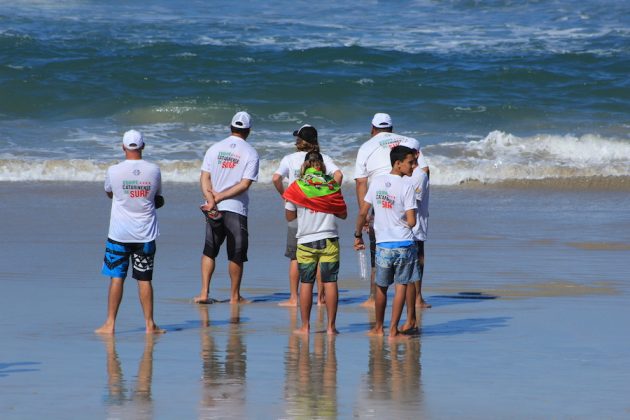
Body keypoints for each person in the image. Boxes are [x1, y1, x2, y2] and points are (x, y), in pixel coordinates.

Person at [354, 113, 429, 307]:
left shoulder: (366, 147)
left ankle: (373, 298)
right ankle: (417, 299)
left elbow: (361, 182)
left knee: (378, 248)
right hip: (409, 195)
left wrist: (364, 216)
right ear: (392, 129)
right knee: (415, 249)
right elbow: (424, 170)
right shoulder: (407, 143)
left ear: (372, 129)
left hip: (381, 197)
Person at [96, 129, 165, 335]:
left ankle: (110, 324)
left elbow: (110, 193)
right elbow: (157, 198)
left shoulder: (113, 170)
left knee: (117, 278)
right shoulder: (154, 170)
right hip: (145, 234)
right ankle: (150, 324)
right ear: (143, 146)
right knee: (144, 279)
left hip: (119, 234)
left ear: (123, 147)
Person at [272, 124, 343, 307]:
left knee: (297, 256)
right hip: (321, 212)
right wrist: (329, 195)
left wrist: (285, 196)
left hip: (297, 208)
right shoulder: (324, 159)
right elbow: (339, 175)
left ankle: (294, 298)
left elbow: (275, 178)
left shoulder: (289, 158)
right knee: (322, 257)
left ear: (299, 141)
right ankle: (320, 298)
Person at [195, 111, 259, 304]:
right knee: (236, 254)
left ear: (231, 127)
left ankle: (204, 293)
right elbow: (245, 184)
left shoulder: (214, 148)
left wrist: (211, 199)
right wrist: (221, 196)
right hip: (236, 208)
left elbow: (204, 177)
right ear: (248, 130)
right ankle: (234, 296)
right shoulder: (250, 152)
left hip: (213, 207)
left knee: (209, 250)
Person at [353, 145, 418, 340]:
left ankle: (379, 328)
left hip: (383, 244)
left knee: (381, 287)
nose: (414, 166)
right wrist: (403, 222)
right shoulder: (407, 186)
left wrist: (357, 234)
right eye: (410, 162)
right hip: (404, 244)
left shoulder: (377, 182)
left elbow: (363, 212)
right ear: (398, 164)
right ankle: (393, 330)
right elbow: (412, 221)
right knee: (401, 286)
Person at [283, 151, 347, 335]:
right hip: (329, 239)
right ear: (322, 165)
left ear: (305, 166)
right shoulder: (331, 185)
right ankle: (331, 327)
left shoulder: (296, 187)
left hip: (306, 241)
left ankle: (305, 327)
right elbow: (343, 214)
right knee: (330, 281)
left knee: (306, 283)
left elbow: (289, 216)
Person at [402, 160, 432, 331]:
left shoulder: (419, 175)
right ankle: (414, 301)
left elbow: (413, 198)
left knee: (415, 262)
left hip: (416, 225)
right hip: (406, 226)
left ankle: (417, 298)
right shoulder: (408, 175)